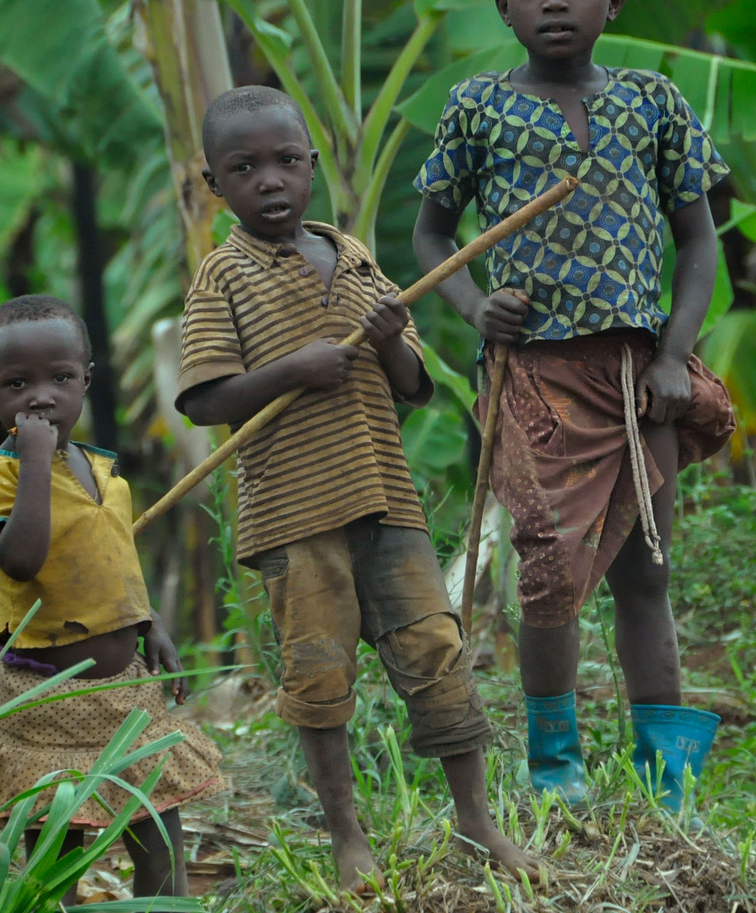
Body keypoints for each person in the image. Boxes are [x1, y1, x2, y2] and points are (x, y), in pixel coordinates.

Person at [411, 0, 737, 817]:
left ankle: (667, 786)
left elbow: (699, 242)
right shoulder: (477, 106)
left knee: (648, 570)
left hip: (640, 379)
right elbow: (432, 232)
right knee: (549, 572)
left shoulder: (653, 101)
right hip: (538, 378)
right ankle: (556, 771)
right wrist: (479, 305)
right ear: (504, 7)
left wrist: (675, 355)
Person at [176, 85, 537, 892]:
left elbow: (413, 385)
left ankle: (476, 823)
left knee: (436, 652)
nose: (270, 181)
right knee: (319, 671)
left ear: (311, 167)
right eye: (245, 168)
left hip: (387, 497)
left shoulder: (354, 253)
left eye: (286, 162)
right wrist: (292, 372)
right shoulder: (222, 277)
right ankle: (347, 838)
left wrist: (385, 342)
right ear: (214, 185)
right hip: (294, 514)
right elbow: (205, 399)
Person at [0, 295, 224, 900]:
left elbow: (112, 563)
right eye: (17, 383)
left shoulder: (105, 472)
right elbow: (23, 560)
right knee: (58, 845)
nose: (40, 396)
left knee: (159, 831)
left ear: (86, 380)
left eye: (59, 379)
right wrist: (34, 461)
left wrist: (148, 622)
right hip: (45, 698)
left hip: (126, 693)